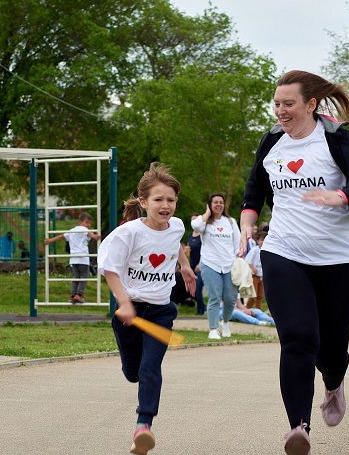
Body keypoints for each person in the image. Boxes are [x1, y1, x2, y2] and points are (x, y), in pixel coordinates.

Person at [240, 70, 349, 455]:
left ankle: (334, 380)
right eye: (276, 104)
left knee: (331, 350)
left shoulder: (337, 139)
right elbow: (254, 190)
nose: (280, 111)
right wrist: (247, 222)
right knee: (298, 339)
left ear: (311, 104)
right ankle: (299, 427)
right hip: (284, 253)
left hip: (339, 261)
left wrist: (341, 196)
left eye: (288, 104)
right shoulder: (272, 142)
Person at [97, 162, 195, 455]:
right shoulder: (128, 233)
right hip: (129, 314)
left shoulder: (176, 225)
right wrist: (124, 302)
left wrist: (186, 266)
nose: (166, 205)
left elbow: (175, 241)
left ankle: (144, 426)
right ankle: (136, 388)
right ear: (143, 202)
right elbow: (109, 269)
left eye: (171, 200)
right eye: (158, 199)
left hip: (161, 312)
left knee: (151, 366)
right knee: (133, 372)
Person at [191, 193, 241, 340]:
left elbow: (237, 243)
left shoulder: (231, 222)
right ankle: (213, 329)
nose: (218, 205)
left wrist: (239, 257)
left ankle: (225, 323)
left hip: (229, 265)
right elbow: (195, 225)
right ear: (210, 205)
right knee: (214, 296)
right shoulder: (205, 222)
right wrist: (207, 213)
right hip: (210, 264)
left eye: (221, 202)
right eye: (215, 202)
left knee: (230, 298)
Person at [45, 212, 100, 304]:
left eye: (90, 223)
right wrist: (95, 236)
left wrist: (50, 241)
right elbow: (90, 234)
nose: (89, 225)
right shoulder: (84, 229)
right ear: (80, 222)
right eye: (87, 222)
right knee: (83, 277)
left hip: (74, 259)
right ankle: (79, 295)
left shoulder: (72, 230)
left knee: (76, 277)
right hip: (83, 258)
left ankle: (72, 295)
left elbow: (61, 237)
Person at [187, 213, 206, 315]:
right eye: (192, 220)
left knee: (198, 289)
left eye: (195, 220)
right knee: (191, 291)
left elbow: (205, 249)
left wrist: (200, 263)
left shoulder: (203, 234)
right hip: (192, 265)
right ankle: (204, 307)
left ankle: (200, 311)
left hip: (201, 265)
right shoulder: (190, 235)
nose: (193, 222)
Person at [245, 230, 267, 309]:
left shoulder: (266, 252)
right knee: (253, 295)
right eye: (261, 240)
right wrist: (253, 268)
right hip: (254, 275)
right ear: (258, 241)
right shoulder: (254, 250)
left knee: (260, 296)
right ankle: (247, 308)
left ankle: (259, 310)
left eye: (265, 240)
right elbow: (248, 260)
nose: (263, 242)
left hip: (262, 275)